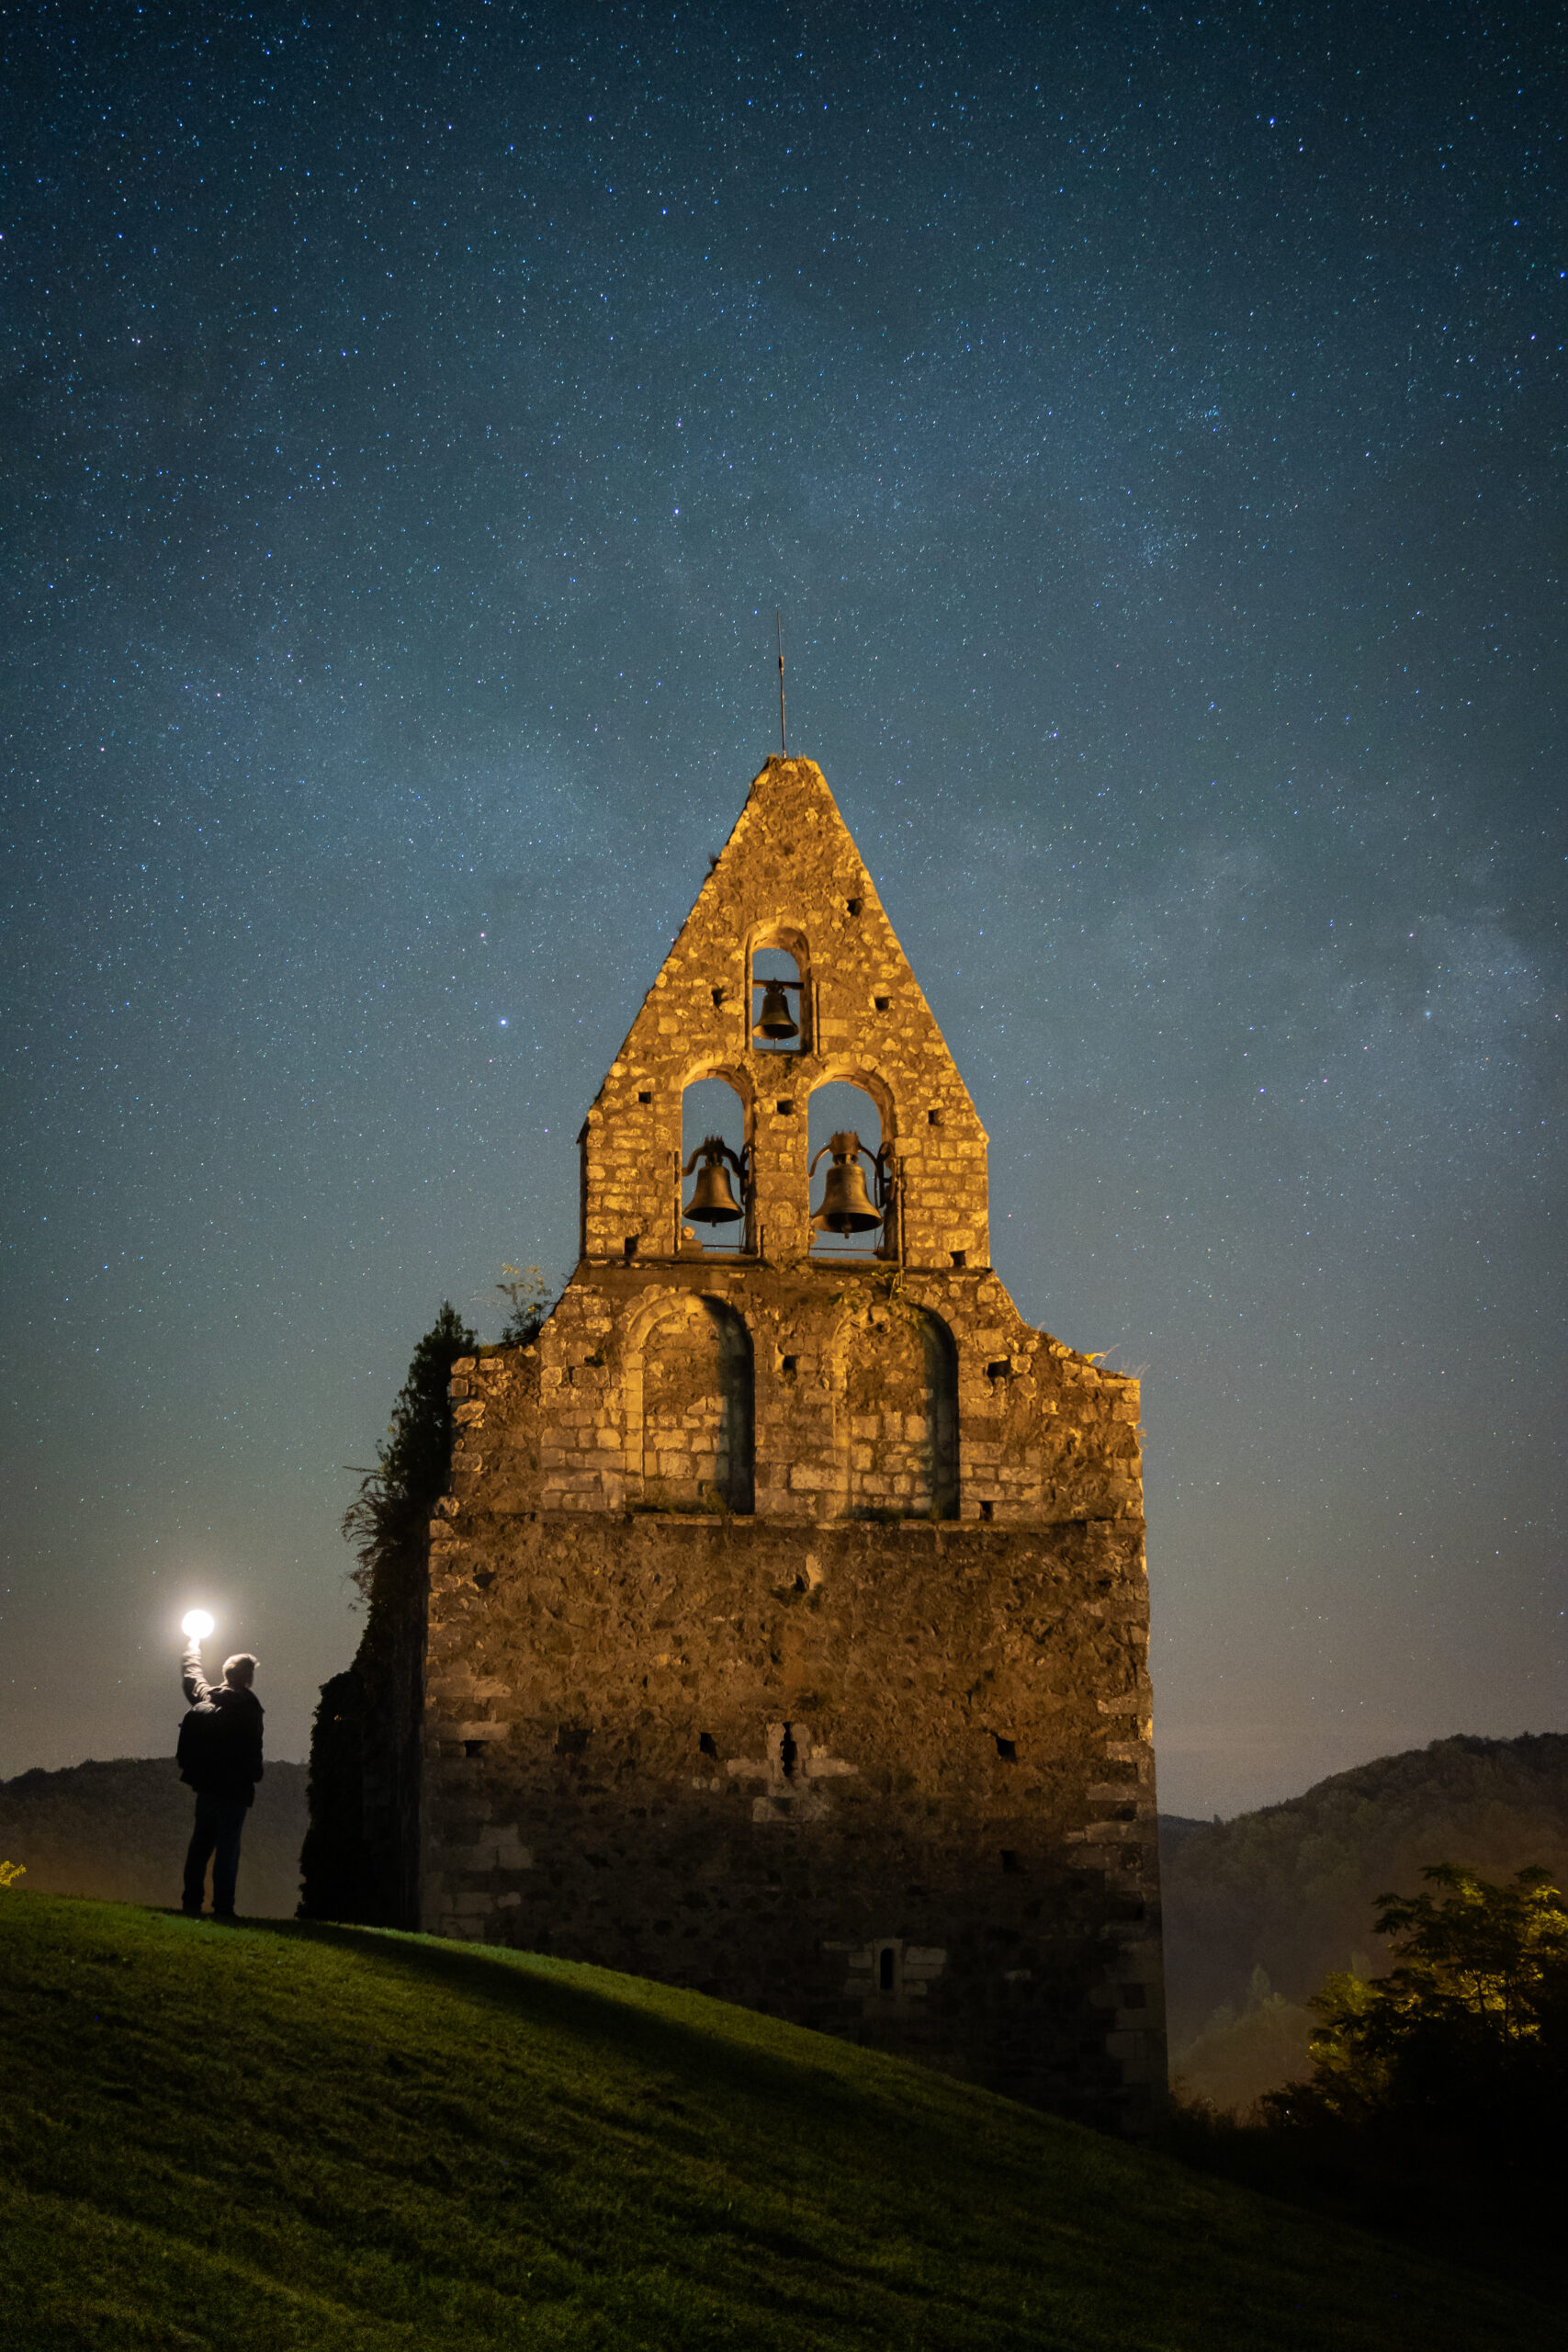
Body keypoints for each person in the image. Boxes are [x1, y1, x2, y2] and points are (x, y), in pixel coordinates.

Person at [177, 1634, 265, 1919]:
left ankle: (191, 1903)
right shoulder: (249, 1708)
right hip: (235, 1791)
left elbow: (193, 1678)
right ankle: (223, 1908)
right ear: (248, 1678)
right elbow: (253, 1753)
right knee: (228, 1850)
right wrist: (254, 1775)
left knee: (199, 1847)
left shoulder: (208, 1697)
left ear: (227, 1674)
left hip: (207, 1787)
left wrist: (192, 1646)